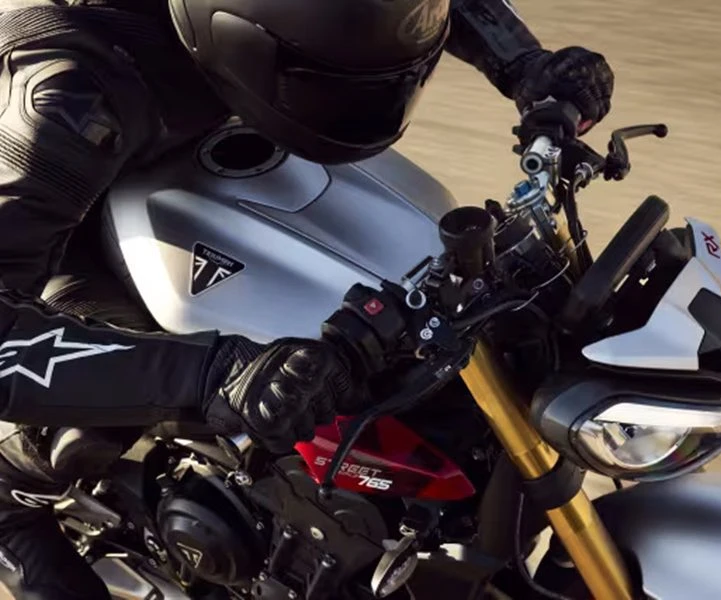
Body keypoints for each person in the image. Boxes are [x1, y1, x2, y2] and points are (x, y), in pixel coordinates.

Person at [0, 0, 614, 597]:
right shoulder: (61, 96)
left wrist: (523, 63)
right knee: (90, 422)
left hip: (181, 136)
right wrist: (215, 374)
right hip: (47, 222)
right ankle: (11, 508)